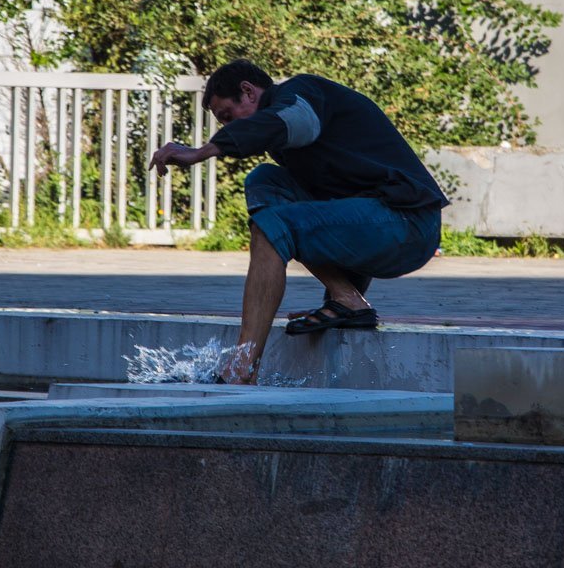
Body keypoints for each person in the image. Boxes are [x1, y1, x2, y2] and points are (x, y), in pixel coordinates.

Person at [149, 59, 448, 383]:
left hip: (408, 222)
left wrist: (202, 151)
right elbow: (337, 208)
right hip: (377, 219)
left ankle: (242, 368)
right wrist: (336, 306)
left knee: (270, 226)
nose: (226, 126)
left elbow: (288, 122)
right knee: (265, 180)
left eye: (226, 116)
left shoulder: (301, 93)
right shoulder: (290, 139)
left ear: (248, 91)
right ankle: (345, 298)